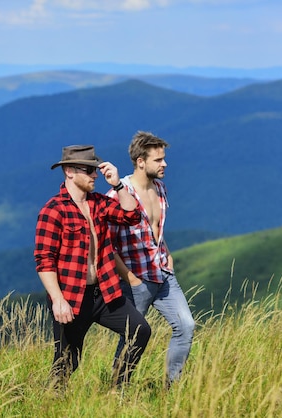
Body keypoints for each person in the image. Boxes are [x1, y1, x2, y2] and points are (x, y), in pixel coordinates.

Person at [34, 145, 151, 391]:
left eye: (95, 169)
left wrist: (118, 185)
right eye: (88, 170)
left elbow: (132, 216)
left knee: (139, 331)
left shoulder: (99, 202)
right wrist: (58, 300)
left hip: (105, 292)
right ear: (69, 171)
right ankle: (51, 401)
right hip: (72, 298)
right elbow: (44, 261)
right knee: (67, 361)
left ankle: (118, 390)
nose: (94, 175)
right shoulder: (53, 210)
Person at [108, 131, 195, 387]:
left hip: (163, 274)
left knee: (186, 326)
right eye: (158, 160)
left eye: (164, 158)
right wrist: (130, 278)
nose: (164, 164)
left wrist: (167, 252)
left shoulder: (160, 188)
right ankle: (118, 390)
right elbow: (106, 245)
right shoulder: (117, 195)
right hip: (136, 279)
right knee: (133, 335)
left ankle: (172, 387)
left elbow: (155, 229)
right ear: (140, 161)